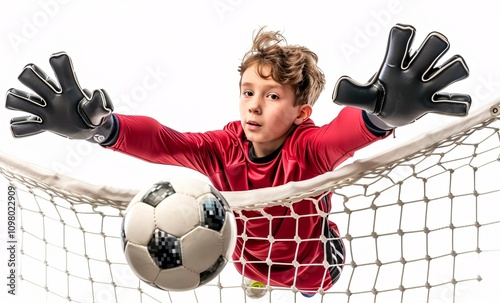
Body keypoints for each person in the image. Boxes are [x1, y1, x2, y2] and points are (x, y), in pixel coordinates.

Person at [4, 24, 471, 296]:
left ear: (300, 112)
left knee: (311, 290)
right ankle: (259, 281)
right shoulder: (222, 147)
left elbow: (342, 135)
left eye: (271, 96)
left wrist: (381, 117)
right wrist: (103, 128)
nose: (254, 105)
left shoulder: (309, 147)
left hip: (312, 263)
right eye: (248, 92)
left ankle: (311, 261)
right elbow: (165, 140)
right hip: (246, 257)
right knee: (251, 274)